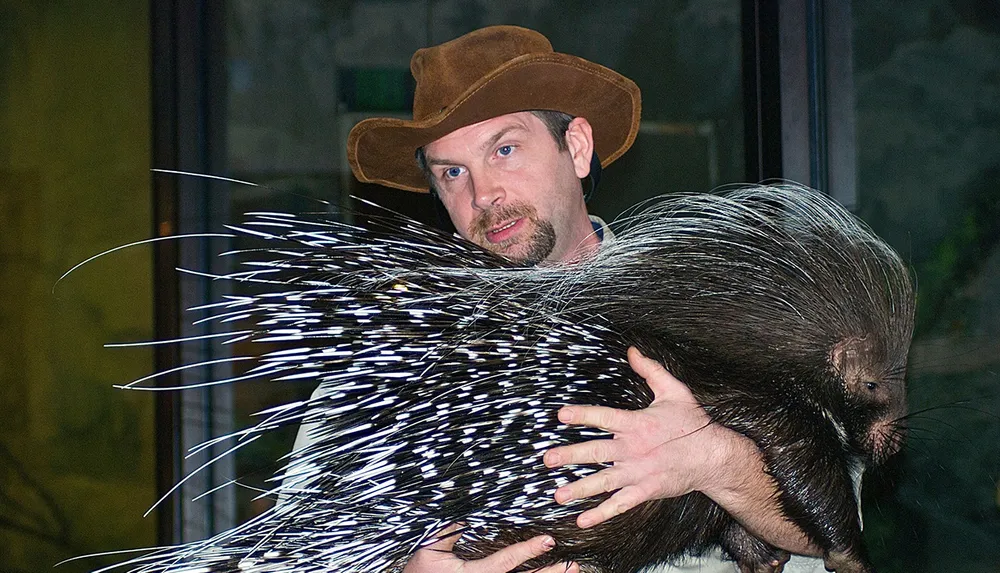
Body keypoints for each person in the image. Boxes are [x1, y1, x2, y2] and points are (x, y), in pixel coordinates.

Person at [339, 25, 830, 573]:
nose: (482, 195)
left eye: (504, 149)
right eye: (452, 173)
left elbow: (837, 536)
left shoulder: (707, 304)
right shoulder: (398, 344)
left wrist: (713, 459)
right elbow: (289, 545)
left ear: (575, 147)